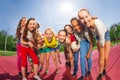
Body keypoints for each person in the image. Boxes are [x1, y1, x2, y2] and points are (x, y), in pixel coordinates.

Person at [78, 9, 110, 80]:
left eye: (86, 17)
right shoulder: (86, 25)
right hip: (98, 36)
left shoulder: (98, 24)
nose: (85, 20)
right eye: (82, 18)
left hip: (105, 35)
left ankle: (104, 69)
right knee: (101, 57)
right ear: (80, 20)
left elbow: (102, 39)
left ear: (90, 16)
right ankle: (100, 73)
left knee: (105, 58)